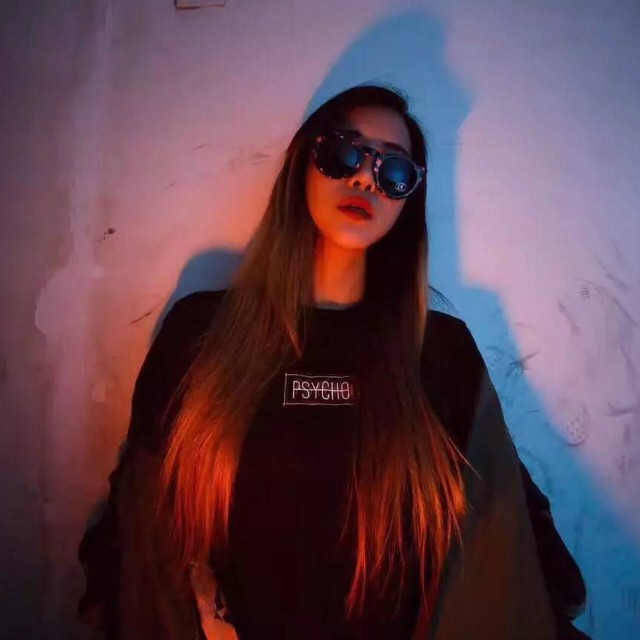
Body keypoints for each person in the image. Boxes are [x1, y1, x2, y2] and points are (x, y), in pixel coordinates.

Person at [77, 84, 589, 639]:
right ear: (303, 163)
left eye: (395, 171)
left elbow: (504, 541)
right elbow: (142, 529)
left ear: (408, 200)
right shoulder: (200, 332)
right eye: (345, 152)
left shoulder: (442, 352)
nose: (366, 178)